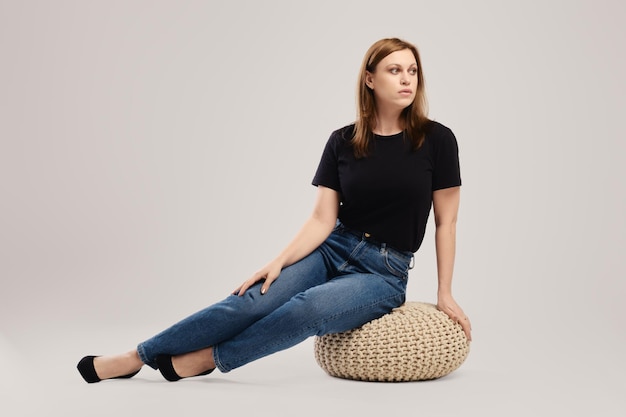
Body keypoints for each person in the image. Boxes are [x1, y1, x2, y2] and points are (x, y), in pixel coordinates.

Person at [77, 37, 472, 383]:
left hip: (385, 272)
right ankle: (136, 357)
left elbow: (446, 223)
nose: (406, 79)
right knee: (250, 299)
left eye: (412, 71)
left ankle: (207, 359)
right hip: (334, 248)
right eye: (394, 69)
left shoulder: (437, 139)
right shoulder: (343, 141)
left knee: (308, 307)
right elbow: (322, 218)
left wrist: (444, 291)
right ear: (370, 79)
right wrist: (277, 262)